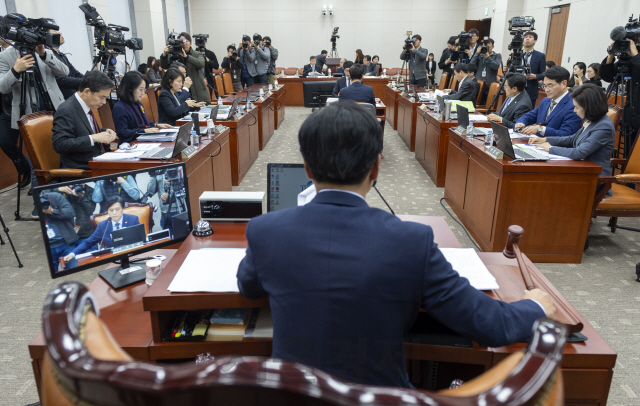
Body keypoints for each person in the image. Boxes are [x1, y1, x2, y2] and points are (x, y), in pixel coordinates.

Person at [236, 101, 555, 388]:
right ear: (376, 167)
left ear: (307, 169)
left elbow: (248, 287)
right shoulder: (411, 241)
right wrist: (536, 304)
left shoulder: (265, 230)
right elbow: (490, 325)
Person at [0, 36, 69, 218]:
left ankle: (62, 196)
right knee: (37, 161)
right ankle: (40, 204)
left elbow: (64, 72)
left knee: (60, 155)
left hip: (55, 110)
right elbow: (2, 87)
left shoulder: (43, 50)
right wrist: (16, 70)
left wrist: (45, 54)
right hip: (29, 115)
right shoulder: (6, 56)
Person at [528, 84, 615, 181]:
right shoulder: (591, 119)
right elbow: (572, 139)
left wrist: (550, 148)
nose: (574, 110)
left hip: (594, 179)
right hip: (581, 171)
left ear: (589, 107)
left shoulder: (603, 126)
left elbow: (579, 152)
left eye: (577, 107)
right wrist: (544, 139)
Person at [52, 71, 117, 171]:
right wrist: (94, 138)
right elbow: (60, 144)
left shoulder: (87, 105)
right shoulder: (66, 109)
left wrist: (104, 131)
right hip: (82, 171)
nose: (104, 102)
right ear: (87, 91)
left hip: (98, 163)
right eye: (101, 97)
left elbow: (85, 131)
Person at [62, 196, 141, 264]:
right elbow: (88, 242)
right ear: (107, 211)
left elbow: (141, 238)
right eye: (111, 210)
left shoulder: (133, 219)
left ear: (122, 209)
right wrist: (73, 253)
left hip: (134, 254)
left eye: (117, 209)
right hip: (115, 258)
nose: (114, 213)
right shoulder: (103, 226)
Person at [515, 66, 583, 137]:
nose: (546, 90)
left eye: (550, 86)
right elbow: (530, 116)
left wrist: (540, 129)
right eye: (545, 86)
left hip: (554, 147)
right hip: (536, 144)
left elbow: (567, 135)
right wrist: (521, 122)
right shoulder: (546, 100)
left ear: (564, 83)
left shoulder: (574, 105)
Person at [112, 71, 173, 144]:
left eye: (144, 90)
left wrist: (156, 124)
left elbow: (142, 125)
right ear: (130, 89)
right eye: (140, 90)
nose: (143, 93)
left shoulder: (138, 103)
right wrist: (144, 131)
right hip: (130, 145)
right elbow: (122, 132)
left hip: (144, 141)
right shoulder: (120, 108)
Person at [160, 32, 209, 103]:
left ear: (191, 43)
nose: (184, 44)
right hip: (181, 90)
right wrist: (164, 55)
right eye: (181, 42)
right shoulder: (175, 55)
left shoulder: (197, 54)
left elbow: (201, 64)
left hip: (197, 91)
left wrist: (186, 57)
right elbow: (164, 66)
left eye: (186, 41)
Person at [41, 191, 79, 272]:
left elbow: (70, 212)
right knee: (52, 278)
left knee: (75, 273)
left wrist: (52, 211)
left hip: (66, 244)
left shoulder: (55, 197)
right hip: (48, 247)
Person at [146, 168, 187, 237]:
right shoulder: (159, 172)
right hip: (164, 213)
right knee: (169, 242)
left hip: (179, 212)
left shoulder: (179, 169)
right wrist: (153, 175)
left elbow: (186, 188)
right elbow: (150, 191)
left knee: (182, 239)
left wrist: (174, 183)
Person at [57, 183, 97, 251]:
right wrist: (58, 190)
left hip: (87, 234)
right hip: (69, 235)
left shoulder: (90, 190)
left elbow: (90, 210)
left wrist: (81, 197)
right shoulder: (66, 190)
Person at [50, 29, 84, 100]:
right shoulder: (48, 57)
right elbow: (60, 80)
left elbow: (74, 73)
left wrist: (92, 79)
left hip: (72, 97)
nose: (60, 33)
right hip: (62, 100)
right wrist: (86, 82)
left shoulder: (61, 55)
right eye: (55, 32)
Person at [470, 38, 502, 104]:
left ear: (493, 47)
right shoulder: (479, 55)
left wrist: (487, 57)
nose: (486, 49)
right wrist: (476, 53)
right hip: (478, 85)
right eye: (485, 47)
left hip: (490, 86)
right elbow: (471, 65)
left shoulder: (497, 56)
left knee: (488, 104)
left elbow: (496, 66)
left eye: (489, 47)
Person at [522, 31, 546, 107]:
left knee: (528, 111)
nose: (527, 39)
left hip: (530, 88)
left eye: (530, 37)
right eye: (525, 37)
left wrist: (535, 76)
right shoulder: (516, 55)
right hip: (516, 87)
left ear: (535, 40)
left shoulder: (540, 56)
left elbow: (543, 73)